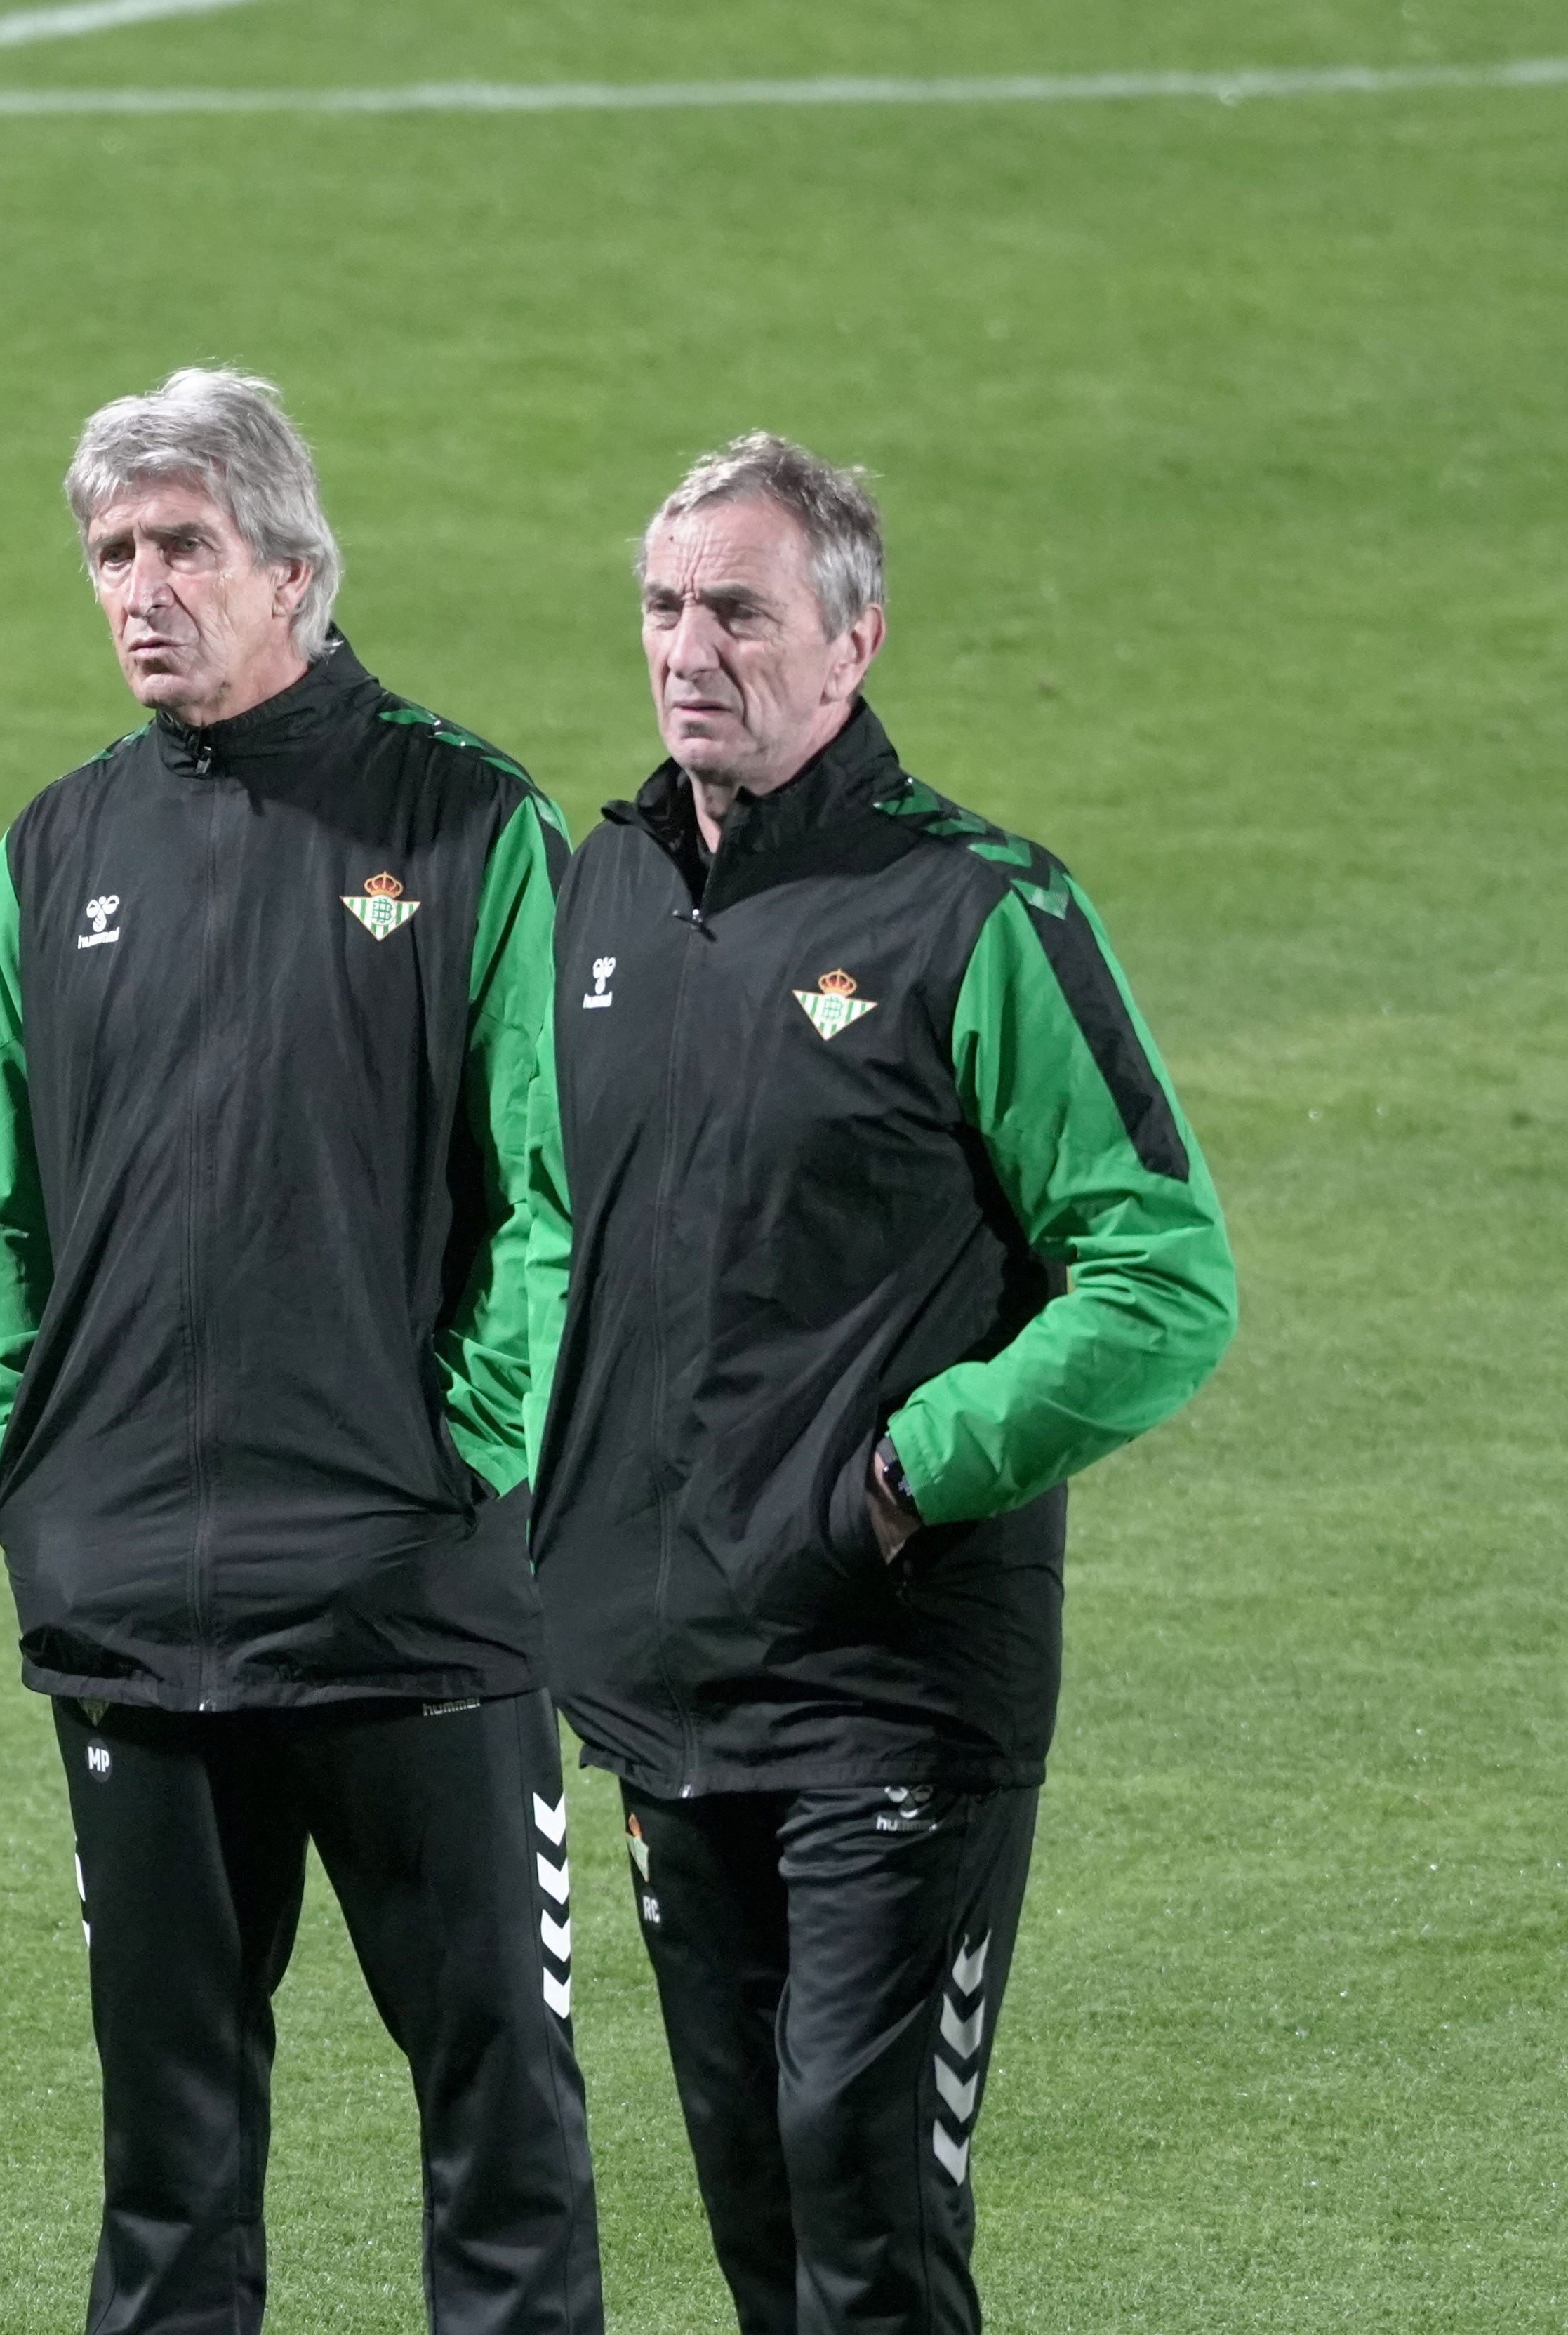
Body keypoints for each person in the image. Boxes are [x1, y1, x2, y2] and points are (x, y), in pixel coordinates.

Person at [0, 368, 601, 2335]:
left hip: (413, 1607)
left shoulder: (470, 823)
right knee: (169, 2162)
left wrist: (467, 1458)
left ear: (295, 568)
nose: (142, 590)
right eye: (113, 554)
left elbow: (559, 1189)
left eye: (183, 548)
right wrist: (20, 1453)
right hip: (133, 1600)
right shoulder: (58, 850)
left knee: (502, 2127)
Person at [534, 434, 1237, 2334]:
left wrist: (916, 1471)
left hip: (892, 1685)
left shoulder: (975, 913)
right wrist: (538, 1482)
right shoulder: (595, 901)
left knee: (865, 2203)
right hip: (669, 1683)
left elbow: (1165, 1275)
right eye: (665, 607)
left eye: (739, 611)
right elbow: (542, 1229)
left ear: (850, 645)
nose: (690, 648)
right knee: (762, 2216)